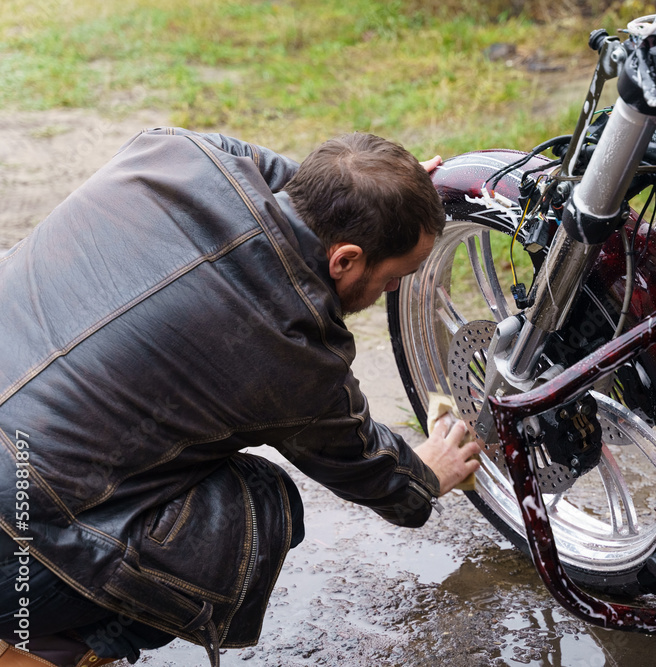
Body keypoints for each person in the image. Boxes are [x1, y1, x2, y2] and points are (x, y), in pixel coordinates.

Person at [0, 128, 481, 667]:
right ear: (344, 260)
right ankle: (48, 651)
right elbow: (364, 464)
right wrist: (425, 475)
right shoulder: (297, 347)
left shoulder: (175, 152)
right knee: (263, 507)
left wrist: (378, 193)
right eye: (396, 276)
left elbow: (292, 184)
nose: (394, 290)